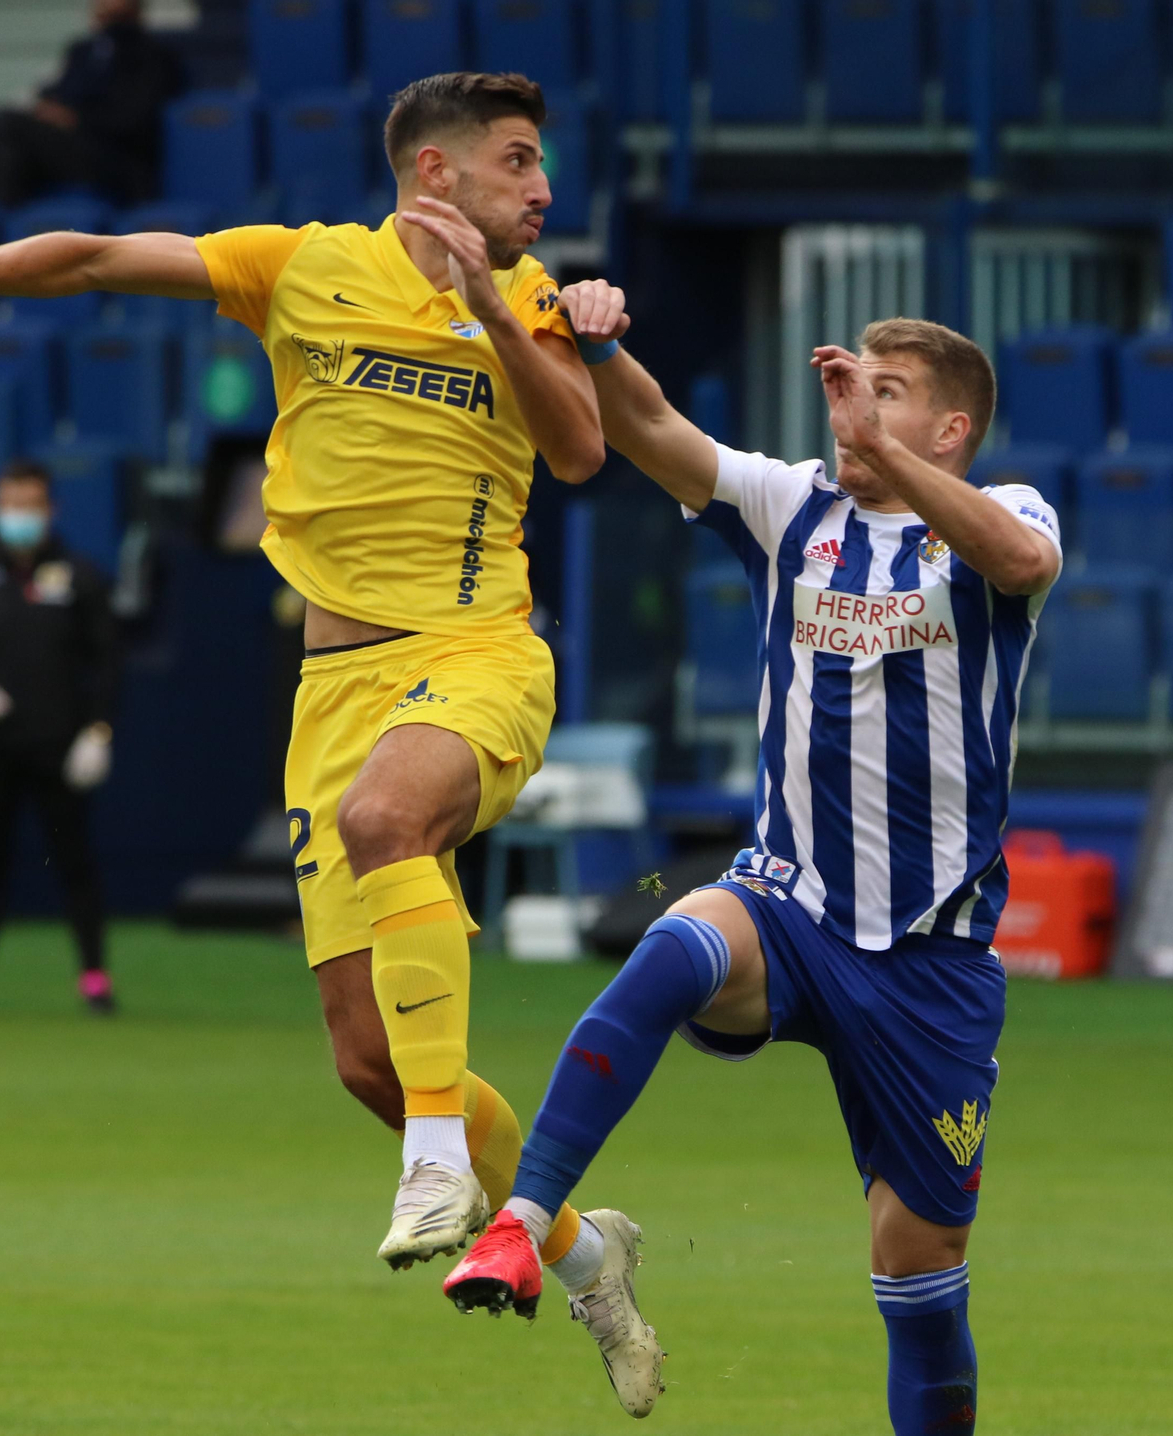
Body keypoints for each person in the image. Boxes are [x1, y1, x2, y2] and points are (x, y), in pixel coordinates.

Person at [0, 72, 638, 1351]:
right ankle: (584, 1247)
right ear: (435, 173)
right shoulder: (301, 267)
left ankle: (440, 1165)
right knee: (367, 1059)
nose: (544, 189)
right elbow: (100, 256)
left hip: (478, 649)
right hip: (335, 684)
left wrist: (490, 305)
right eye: (519, 162)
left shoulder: (535, 297)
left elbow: (584, 452)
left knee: (392, 819)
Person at [446, 290, 1062, 1430]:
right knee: (676, 940)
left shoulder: (1000, 511)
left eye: (891, 395)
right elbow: (651, 430)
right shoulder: (793, 507)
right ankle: (525, 1220)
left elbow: (1019, 560)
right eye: (852, 388)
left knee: (918, 1274)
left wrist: (885, 455)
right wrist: (598, 343)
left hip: (931, 963)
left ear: (950, 431)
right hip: (791, 907)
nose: (855, 413)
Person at [0, 461, 119, 1013]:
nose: (20, 515)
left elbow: (108, 660)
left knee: (74, 863)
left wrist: (98, 731)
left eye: (31, 504)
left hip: (60, 748)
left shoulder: (79, 574)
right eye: (10, 504)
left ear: (51, 509)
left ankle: (95, 980)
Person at [0, 0, 183, 208]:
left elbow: (134, 121)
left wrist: (75, 119)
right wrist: (50, 111)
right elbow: (55, 93)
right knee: (8, 157)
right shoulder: (83, 50)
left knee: (9, 122)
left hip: (115, 160)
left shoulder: (154, 55)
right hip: (69, 150)